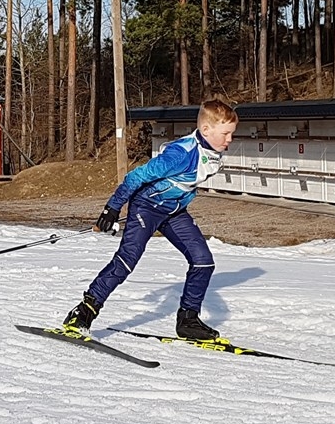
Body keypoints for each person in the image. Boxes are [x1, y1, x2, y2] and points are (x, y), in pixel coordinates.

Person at [63, 99, 239, 340]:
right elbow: (136, 177)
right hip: (146, 208)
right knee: (127, 261)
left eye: (232, 134)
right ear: (206, 130)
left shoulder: (212, 151)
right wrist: (112, 208)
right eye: (226, 134)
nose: (229, 140)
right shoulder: (180, 154)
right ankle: (83, 313)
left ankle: (188, 319)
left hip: (173, 212)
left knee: (203, 261)